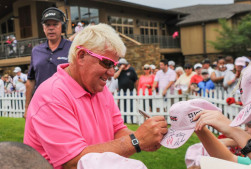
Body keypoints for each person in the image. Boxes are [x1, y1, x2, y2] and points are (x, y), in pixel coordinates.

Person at [24, 23, 168, 169]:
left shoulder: (98, 88)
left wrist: (146, 138)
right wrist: (137, 140)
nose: (112, 73)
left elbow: (117, 130)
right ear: (81, 56)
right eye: (106, 63)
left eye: (114, 65)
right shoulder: (51, 96)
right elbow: (74, 161)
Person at [25, 7, 72, 119]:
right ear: (43, 28)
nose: (51, 28)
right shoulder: (36, 50)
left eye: (55, 24)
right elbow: (31, 80)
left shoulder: (72, 48)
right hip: (40, 106)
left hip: (66, 106)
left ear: (62, 27)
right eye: (47, 25)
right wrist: (27, 107)